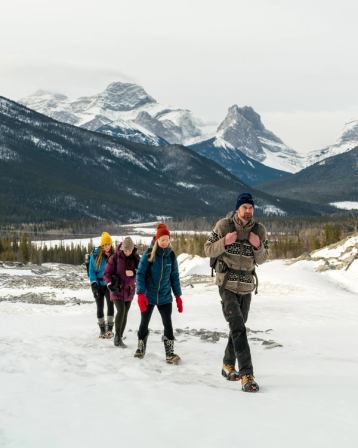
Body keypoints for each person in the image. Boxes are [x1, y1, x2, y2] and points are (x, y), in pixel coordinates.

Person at [204, 192, 268, 392]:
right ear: (237, 209)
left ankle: (227, 365)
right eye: (244, 208)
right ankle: (247, 375)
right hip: (227, 285)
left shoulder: (259, 230)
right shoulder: (223, 226)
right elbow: (207, 249)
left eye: (250, 208)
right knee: (239, 328)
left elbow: (263, 258)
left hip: (247, 286)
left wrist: (257, 246)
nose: (248, 211)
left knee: (237, 329)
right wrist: (224, 242)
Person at [134, 223, 183, 364]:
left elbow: (174, 277)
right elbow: (140, 274)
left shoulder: (171, 256)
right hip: (148, 297)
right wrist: (141, 294)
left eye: (167, 240)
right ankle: (141, 348)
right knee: (144, 323)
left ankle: (170, 353)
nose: (165, 242)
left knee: (168, 324)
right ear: (157, 240)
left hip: (165, 297)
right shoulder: (149, 254)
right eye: (162, 240)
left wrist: (178, 296)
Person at [104, 237, 140, 348]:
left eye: (129, 250)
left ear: (132, 249)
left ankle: (120, 337)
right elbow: (106, 273)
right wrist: (110, 283)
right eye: (125, 250)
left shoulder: (136, 258)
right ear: (122, 248)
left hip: (129, 290)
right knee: (121, 310)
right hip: (117, 290)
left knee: (125, 313)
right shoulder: (115, 258)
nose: (127, 252)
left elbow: (142, 273)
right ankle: (117, 338)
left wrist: (134, 272)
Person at [88, 232, 115, 338]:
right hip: (98, 285)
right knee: (100, 307)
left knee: (110, 305)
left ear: (111, 244)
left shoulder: (114, 255)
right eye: (104, 245)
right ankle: (102, 330)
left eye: (108, 244)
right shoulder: (95, 256)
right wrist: (94, 285)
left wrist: (115, 281)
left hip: (109, 284)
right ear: (102, 245)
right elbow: (91, 271)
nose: (106, 247)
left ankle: (110, 330)